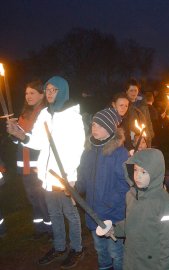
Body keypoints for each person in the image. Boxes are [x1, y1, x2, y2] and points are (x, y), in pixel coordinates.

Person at [6, 76, 85, 269]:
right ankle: (59, 246)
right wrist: (21, 136)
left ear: (63, 92)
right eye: (47, 90)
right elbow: (39, 142)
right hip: (47, 176)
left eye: (53, 90)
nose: (49, 94)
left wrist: (70, 177)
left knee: (70, 214)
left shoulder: (72, 116)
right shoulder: (44, 115)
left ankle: (77, 248)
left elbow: (78, 148)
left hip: (64, 177)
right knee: (54, 213)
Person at [99, 148, 169, 270]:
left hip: (151, 263)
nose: (137, 176)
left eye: (144, 172)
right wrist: (115, 229)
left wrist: (166, 267)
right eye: (135, 170)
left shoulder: (165, 203)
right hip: (131, 259)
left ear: (155, 172)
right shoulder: (131, 195)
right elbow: (132, 223)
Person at [75, 108, 129, 270]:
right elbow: (83, 176)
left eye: (99, 125)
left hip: (113, 214)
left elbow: (124, 184)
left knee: (116, 251)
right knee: (101, 250)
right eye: (93, 125)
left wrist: (108, 204)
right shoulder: (88, 151)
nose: (94, 128)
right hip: (93, 212)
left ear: (110, 128)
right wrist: (75, 188)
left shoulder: (120, 153)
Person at [12, 80, 52, 238]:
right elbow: (18, 141)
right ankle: (40, 228)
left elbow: (40, 140)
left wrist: (22, 135)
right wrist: (13, 132)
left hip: (38, 165)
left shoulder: (45, 113)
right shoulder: (24, 114)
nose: (28, 96)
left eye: (32, 93)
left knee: (43, 199)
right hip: (25, 165)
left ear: (42, 95)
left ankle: (51, 229)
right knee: (33, 199)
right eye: (26, 93)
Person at [125, 79, 154, 147]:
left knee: (146, 156)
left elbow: (148, 120)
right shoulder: (124, 105)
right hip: (133, 139)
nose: (133, 93)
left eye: (135, 90)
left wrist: (150, 133)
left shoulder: (143, 103)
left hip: (145, 136)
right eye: (131, 90)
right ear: (126, 91)